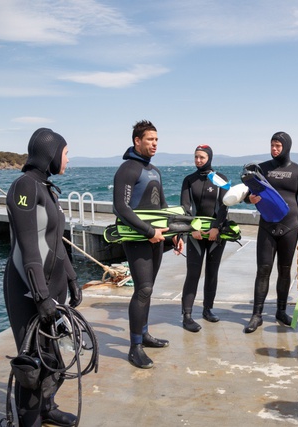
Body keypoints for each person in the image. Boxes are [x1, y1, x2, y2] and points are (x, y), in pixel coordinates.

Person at [4, 128, 81, 426]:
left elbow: (56, 243)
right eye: (65, 153)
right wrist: (41, 295)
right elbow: (29, 249)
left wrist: (72, 278)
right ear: (50, 154)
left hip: (52, 289)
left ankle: (46, 408)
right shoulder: (24, 187)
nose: (68, 159)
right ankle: (29, 422)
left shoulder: (47, 188)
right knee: (32, 365)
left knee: (53, 356)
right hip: (29, 289)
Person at [113, 120, 183, 369]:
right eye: (150, 139)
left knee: (149, 289)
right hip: (137, 239)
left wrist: (175, 234)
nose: (154, 144)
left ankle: (143, 334)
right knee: (142, 289)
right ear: (137, 141)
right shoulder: (127, 169)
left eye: (156, 140)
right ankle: (135, 347)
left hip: (156, 238)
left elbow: (162, 208)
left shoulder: (154, 171)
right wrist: (149, 231)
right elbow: (121, 208)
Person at [244, 131, 298, 333]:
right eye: (272, 145)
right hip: (267, 225)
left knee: (284, 270)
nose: (274, 149)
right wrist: (249, 200)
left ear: (286, 147)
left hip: (290, 227)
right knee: (263, 269)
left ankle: (281, 311)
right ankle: (256, 315)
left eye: (278, 146)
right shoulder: (262, 169)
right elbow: (248, 193)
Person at [179, 145, 229, 332]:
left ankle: (208, 309)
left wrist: (216, 227)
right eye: (196, 157)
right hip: (196, 234)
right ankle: (187, 315)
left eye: (202, 157)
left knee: (212, 272)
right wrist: (192, 228)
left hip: (216, 234)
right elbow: (185, 208)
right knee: (193, 273)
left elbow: (224, 206)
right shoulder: (189, 180)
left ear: (209, 158)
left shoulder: (220, 179)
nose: (198, 160)